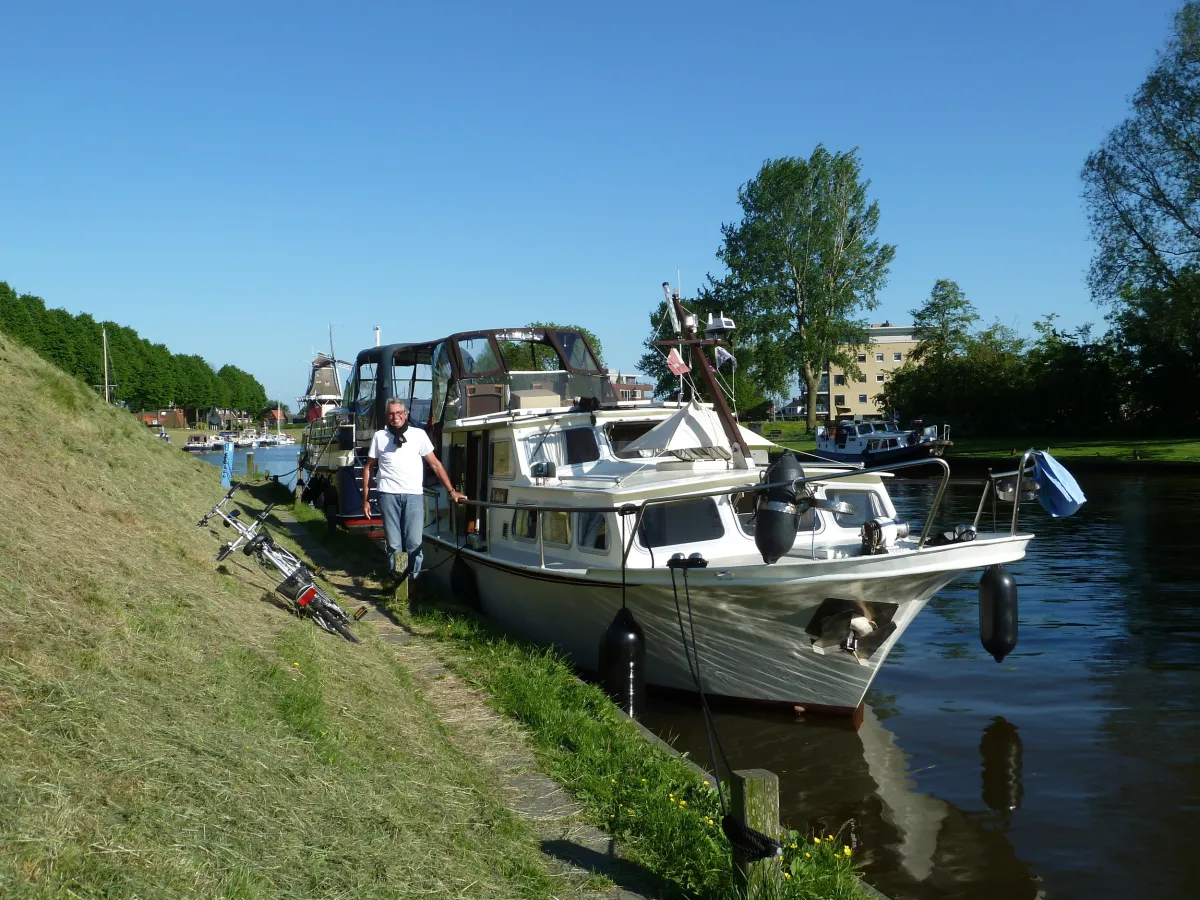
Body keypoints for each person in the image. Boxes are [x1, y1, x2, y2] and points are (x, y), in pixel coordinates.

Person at [362, 399, 465, 584]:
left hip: (414, 496)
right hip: (388, 495)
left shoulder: (419, 435)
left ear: (406, 414)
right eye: (392, 414)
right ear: (388, 416)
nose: (396, 417)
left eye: (399, 412)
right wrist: (366, 499)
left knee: (414, 544)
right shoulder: (380, 436)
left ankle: (414, 585)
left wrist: (452, 491)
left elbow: (435, 465)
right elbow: (369, 467)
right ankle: (398, 585)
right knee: (394, 544)